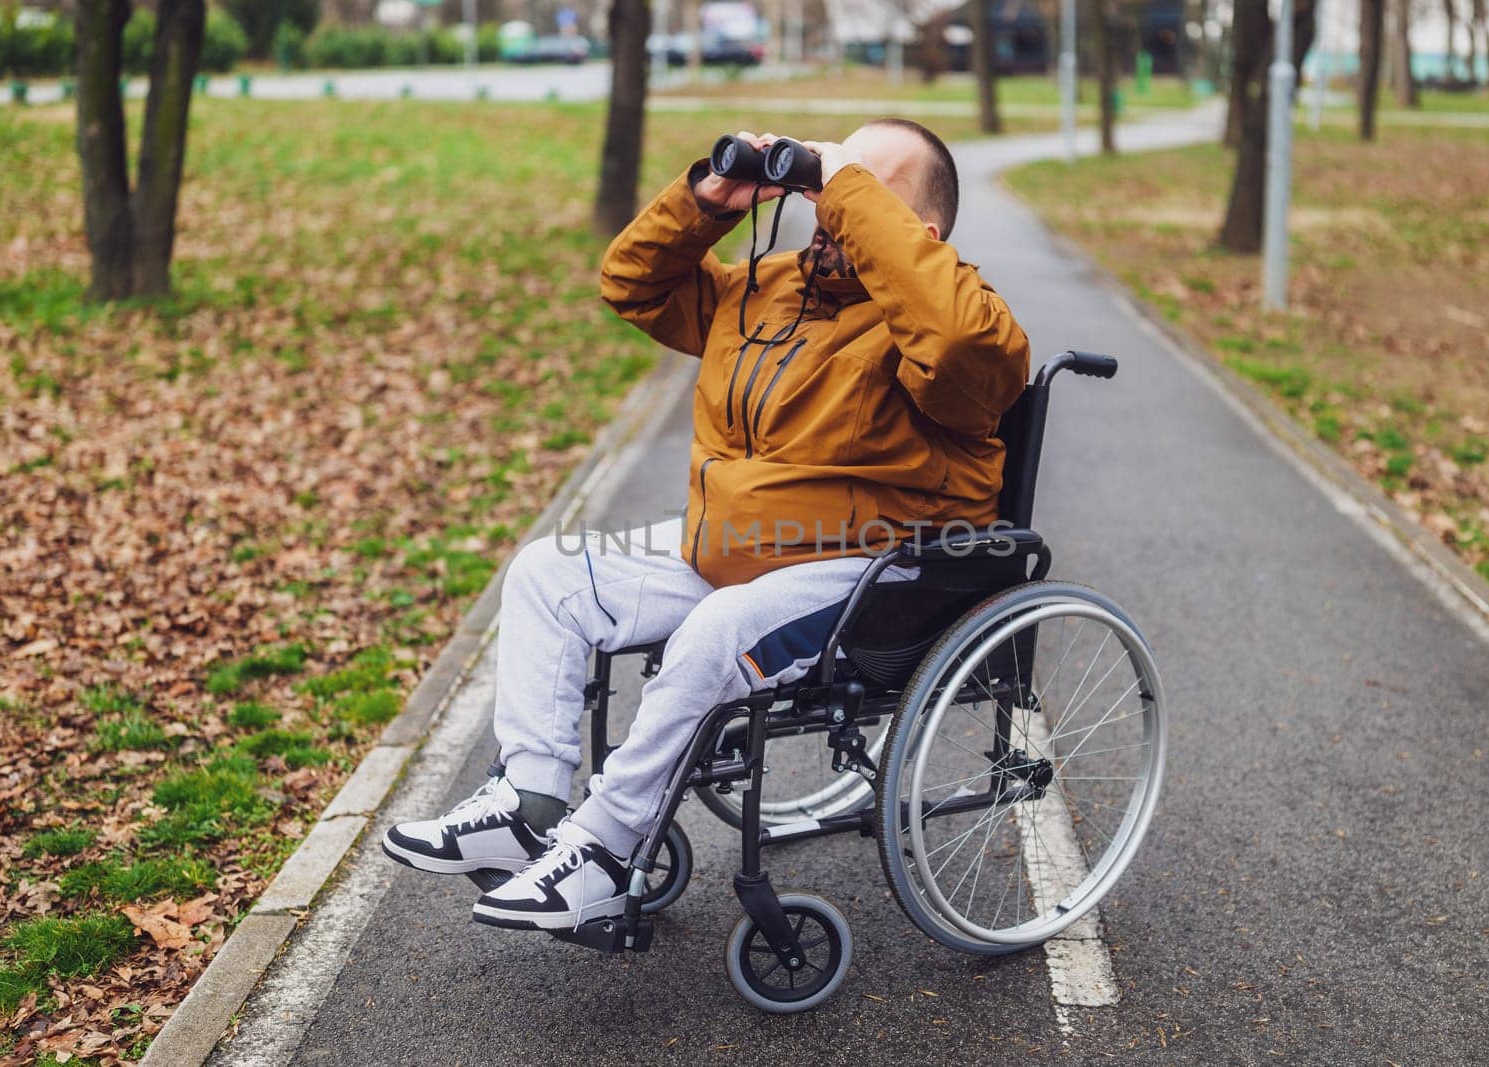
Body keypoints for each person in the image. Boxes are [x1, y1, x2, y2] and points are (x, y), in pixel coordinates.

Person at [382, 119, 1031, 931]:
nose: (832, 203)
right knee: (548, 572)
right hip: (739, 549)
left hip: (880, 566)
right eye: (833, 177)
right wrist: (709, 201)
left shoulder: (959, 330)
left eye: (863, 188)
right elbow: (633, 284)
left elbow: (963, 338)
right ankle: (530, 801)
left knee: (719, 629)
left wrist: (846, 187)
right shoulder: (769, 289)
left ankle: (610, 847)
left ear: (919, 234)